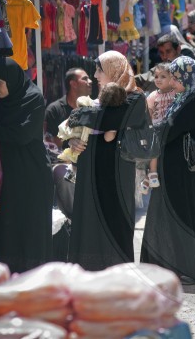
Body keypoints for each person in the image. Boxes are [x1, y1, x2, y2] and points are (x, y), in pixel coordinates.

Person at [67, 50, 147, 271]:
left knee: (115, 218)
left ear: (114, 70)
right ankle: (88, 270)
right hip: (90, 165)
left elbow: (109, 117)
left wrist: (80, 116)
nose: (94, 75)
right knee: (88, 217)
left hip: (117, 168)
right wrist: (73, 140)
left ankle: (117, 272)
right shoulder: (97, 99)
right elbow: (76, 123)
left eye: (99, 70)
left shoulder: (135, 97)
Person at [141, 56, 195, 286]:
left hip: (184, 169)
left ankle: (188, 269)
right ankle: (163, 266)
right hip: (172, 166)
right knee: (165, 214)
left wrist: (153, 129)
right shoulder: (184, 96)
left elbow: (172, 129)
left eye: (175, 76)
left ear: (186, 75)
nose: (171, 80)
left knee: (183, 215)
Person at [0, 57, 53, 273]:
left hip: (32, 177)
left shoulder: (33, 98)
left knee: (31, 233)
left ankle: (34, 285)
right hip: (6, 180)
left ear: (11, 80)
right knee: (7, 232)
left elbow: (22, 134)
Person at [57, 82, 128, 163]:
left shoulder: (87, 106)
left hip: (84, 153)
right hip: (102, 159)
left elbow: (67, 125)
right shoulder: (116, 116)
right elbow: (108, 138)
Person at [143, 62, 176, 191]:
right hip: (156, 128)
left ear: (172, 78)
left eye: (163, 76)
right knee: (154, 149)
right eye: (156, 76)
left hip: (171, 129)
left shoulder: (176, 93)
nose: (158, 79)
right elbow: (148, 114)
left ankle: (146, 181)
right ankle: (152, 173)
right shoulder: (152, 96)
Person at [45, 68, 93, 149]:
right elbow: (48, 140)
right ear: (73, 84)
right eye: (85, 79)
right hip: (61, 160)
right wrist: (69, 141)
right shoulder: (54, 110)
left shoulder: (93, 108)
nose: (90, 81)